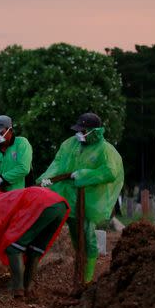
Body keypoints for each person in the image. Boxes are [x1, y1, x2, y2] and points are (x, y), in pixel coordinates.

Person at [37, 112, 123, 283]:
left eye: (83, 131)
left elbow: (110, 172)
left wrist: (85, 174)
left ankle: (87, 280)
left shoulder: (105, 150)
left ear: (95, 131)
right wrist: (46, 179)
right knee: (77, 239)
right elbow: (58, 163)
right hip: (69, 197)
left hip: (89, 202)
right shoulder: (70, 145)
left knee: (88, 237)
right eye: (79, 130)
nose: (79, 134)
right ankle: (79, 272)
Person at [0, 184, 69, 298]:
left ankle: (17, 289)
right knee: (35, 249)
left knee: (13, 247)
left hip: (42, 204)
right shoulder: (6, 199)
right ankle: (28, 288)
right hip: (60, 205)